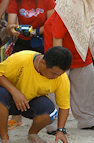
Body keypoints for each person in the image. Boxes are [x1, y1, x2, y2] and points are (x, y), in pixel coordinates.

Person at [43, 0, 94, 133]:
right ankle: (52, 123)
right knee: (56, 85)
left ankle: (87, 120)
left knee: (85, 83)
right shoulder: (66, 7)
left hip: (82, 49)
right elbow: (57, 37)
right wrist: (58, 64)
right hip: (59, 49)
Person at [0, 46, 72, 143]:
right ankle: (4, 137)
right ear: (43, 62)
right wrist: (15, 92)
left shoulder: (61, 77)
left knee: (50, 112)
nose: (56, 77)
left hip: (29, 103)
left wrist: (60, 130)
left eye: (60, 74)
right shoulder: (21, 58)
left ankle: (33, 134)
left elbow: (64, 107)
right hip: (7, 96)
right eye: (54, 73)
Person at [5, 0, 55, 130]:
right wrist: (12, 29)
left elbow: (51, 22)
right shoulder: (15, 1)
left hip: (42, 39)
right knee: (15, 75)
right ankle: (16, 113)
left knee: (43, 72)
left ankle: (41, 105)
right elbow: (11, 24)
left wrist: (36, 32)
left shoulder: (47, 1)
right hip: (22, 40)